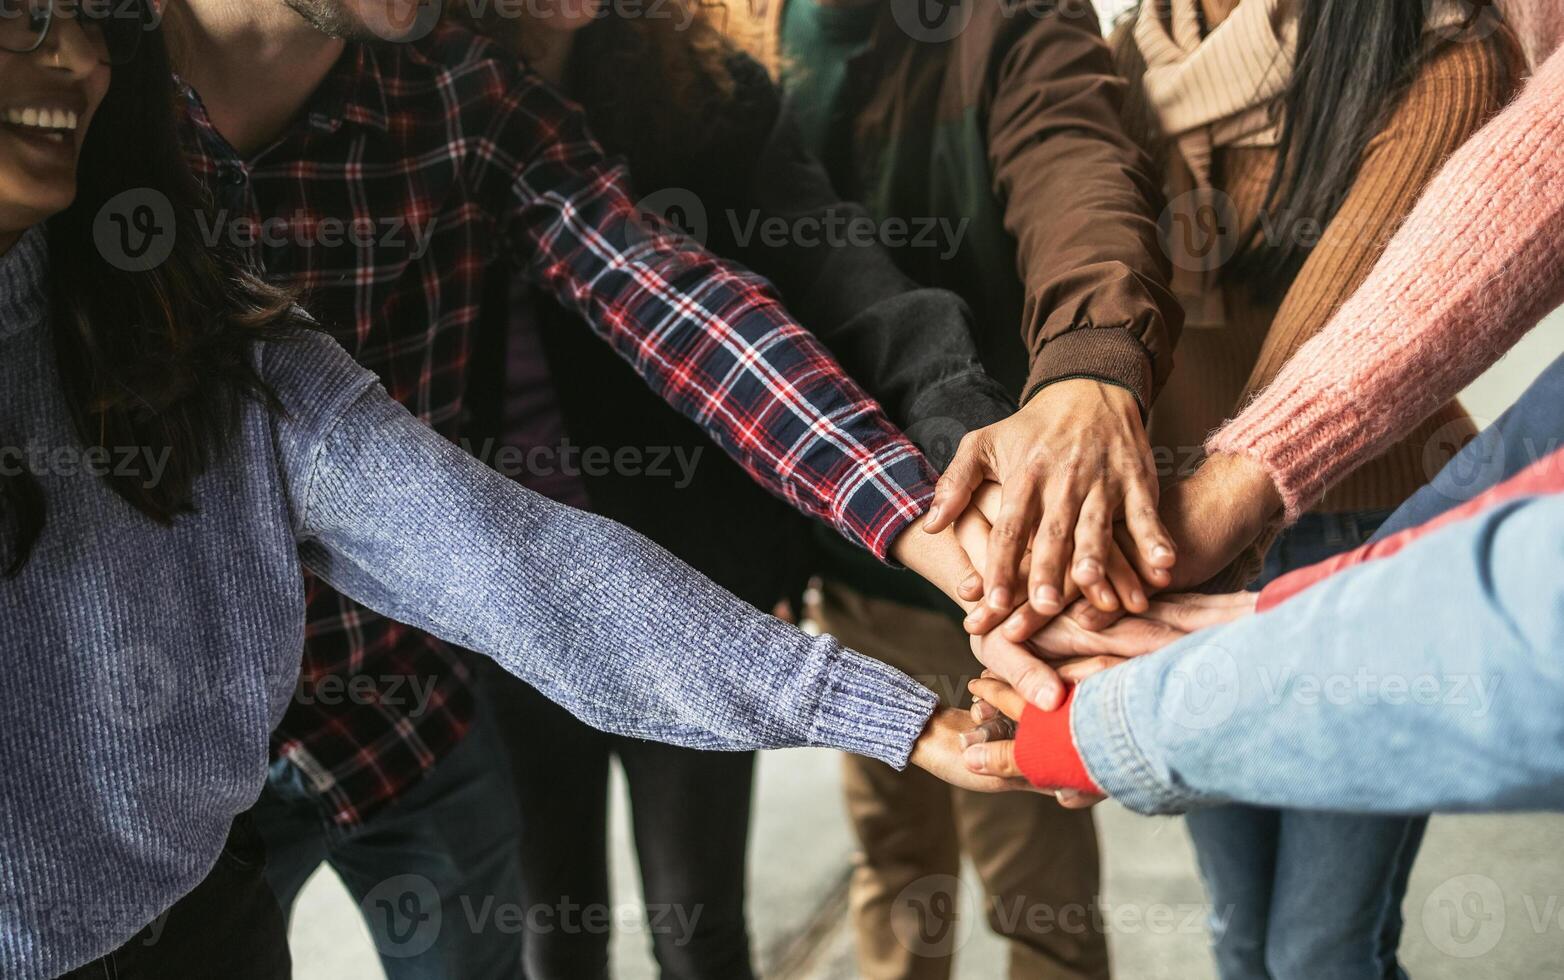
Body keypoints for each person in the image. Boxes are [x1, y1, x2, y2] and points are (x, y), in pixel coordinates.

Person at [0, 5, 1007, 977]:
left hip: (406, 715)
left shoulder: (233, 311)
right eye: (29, 19)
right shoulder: (112, 130)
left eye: (70, 25)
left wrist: (917, 553)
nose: (67, 54)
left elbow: (526, 523)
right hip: (210, 770)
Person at [450, 2, 1017, 977]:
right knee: (555, 923)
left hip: (694, 585)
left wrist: (960, 429)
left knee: (698, 920)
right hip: (489, 604)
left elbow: (820, 280)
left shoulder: (703, 94)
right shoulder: (410, 104)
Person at [1047, 2, 1524, 978]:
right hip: (1174, 537)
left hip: (1369, 535)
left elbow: (1324, 344)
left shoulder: (1439, 50)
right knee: (1237, 927)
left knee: (1319, 946)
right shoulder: (1125, 50)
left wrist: (1161, 541)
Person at [722, 0, 1186, 975]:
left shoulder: (1013, 22)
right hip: (856, 563)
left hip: (1009, 554)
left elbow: (1078, 178)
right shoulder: (741, 39)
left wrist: (1089, 359)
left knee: (1037, 884)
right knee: (894, 860)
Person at [962, 442, 1564, 815]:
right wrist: (1253, 611)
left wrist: (1114, 731)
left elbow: (1513, 631)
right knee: (1239, 923)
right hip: (1208, 563)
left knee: (1318, 945)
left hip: (1350, 510)